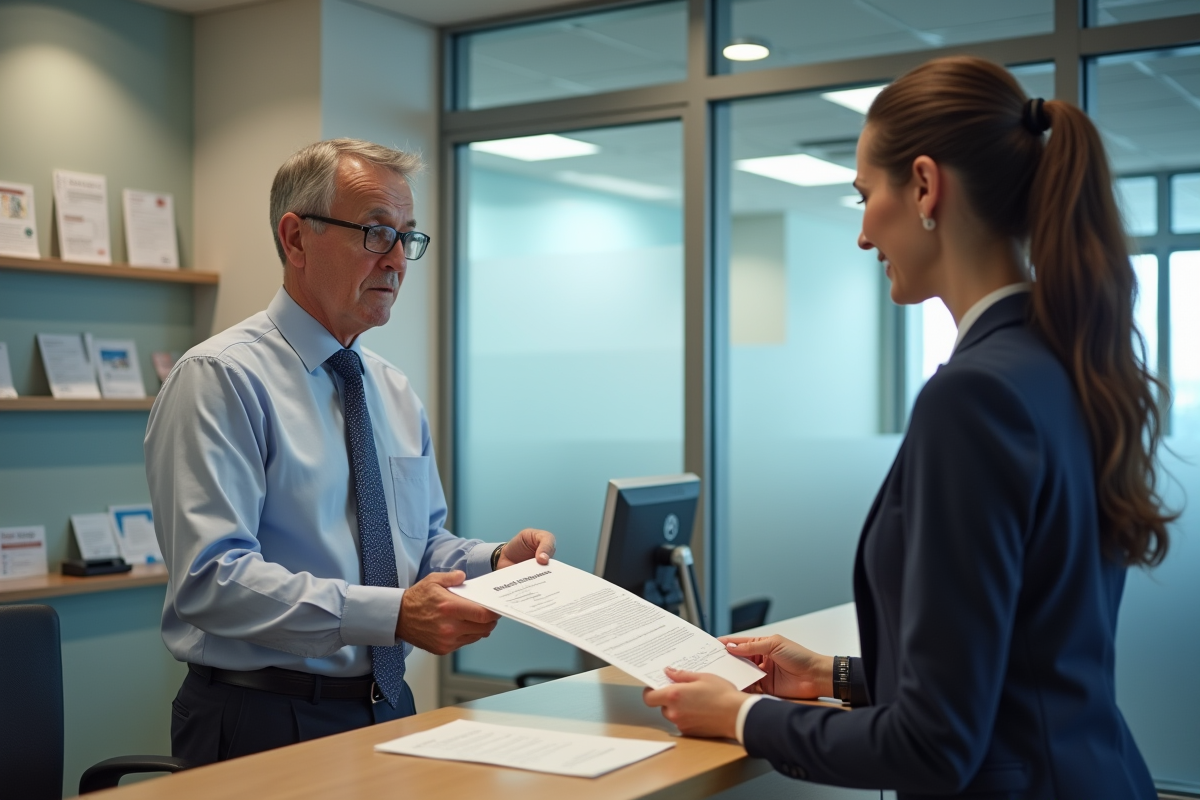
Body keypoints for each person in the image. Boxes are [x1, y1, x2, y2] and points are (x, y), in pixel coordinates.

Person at [643, 56, 1173, 799]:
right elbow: (1019, 667)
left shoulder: (975, 396)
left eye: (866, 196)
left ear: (925, 186)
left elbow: (934, 745)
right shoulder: (1064, 364)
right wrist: (826, 673)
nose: (863, 235)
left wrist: (740, 717)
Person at [145, 139, 555, 765]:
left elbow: (417, 545)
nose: (396, 260)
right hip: (262, 714)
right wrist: (392, 616)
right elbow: (212, 581)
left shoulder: (388, 387)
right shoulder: (221, 378)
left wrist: (495, 562)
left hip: (388, 705)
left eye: (407, 237)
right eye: (374, 233)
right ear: (296, 238)